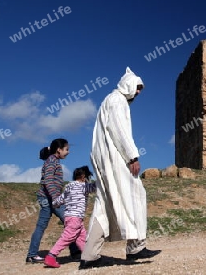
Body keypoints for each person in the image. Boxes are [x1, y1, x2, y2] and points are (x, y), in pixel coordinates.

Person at [79, 67, 161, 270]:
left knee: (104, 203)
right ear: (128, 84)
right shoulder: (117, 101)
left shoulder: (110, 100)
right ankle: (135, 248)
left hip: (106, 159)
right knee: (136, 193)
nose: (139, 92)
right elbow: (119, 130)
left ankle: (89, 256)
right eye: (137, 87)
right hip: (115, 158)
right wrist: (132, 156)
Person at [26, 138, 81, 263]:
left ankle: (32, 255)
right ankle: (76, 251)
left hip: (49, 197)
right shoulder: (52, 161)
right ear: (59, 150)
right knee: (70, 222)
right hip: (50, 198)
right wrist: (56, 198)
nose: (68, 152)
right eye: (66, 149)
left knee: (62, 223)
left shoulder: (53, 161)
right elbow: (48, 181)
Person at [44, 166, 96, 268]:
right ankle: (51, 256)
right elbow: (95, 187)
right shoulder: (83, 186)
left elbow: (59, 200)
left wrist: (54, 203)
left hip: (69, 217)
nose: (87, 180)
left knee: (82, 238)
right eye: (87, 177)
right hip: (75, 218)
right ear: (83, 176)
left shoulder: (69, 187)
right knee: (66, 238)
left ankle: (89, 256)